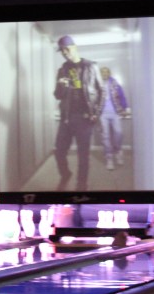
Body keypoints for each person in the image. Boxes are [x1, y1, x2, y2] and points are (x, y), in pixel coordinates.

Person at [52, 35, 102, 191]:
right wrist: (61, 85)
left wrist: (96, 112)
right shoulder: (62, 70)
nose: (65, 53)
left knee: (83, 155)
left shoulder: (91, 66)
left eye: (67, 49)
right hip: (66, 118)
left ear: (74, 47)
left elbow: (102, 91)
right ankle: (65, 174)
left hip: (85, 118)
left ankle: (81, 184)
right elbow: (57, 95)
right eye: (62, 51)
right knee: (59, 151)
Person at [98, 66, 131, 171]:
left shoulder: (115, 83)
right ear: (100, 74)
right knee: (105, 136)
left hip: (115, 113)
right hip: (103, 114)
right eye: (102, 72)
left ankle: (118, 151)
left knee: (118, 133)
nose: (104, 73)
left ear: (109, 73)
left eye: (106, 72)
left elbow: (122, 96)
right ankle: (109, 157)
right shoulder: (97, 84)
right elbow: (93, 98)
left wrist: (126, 108)